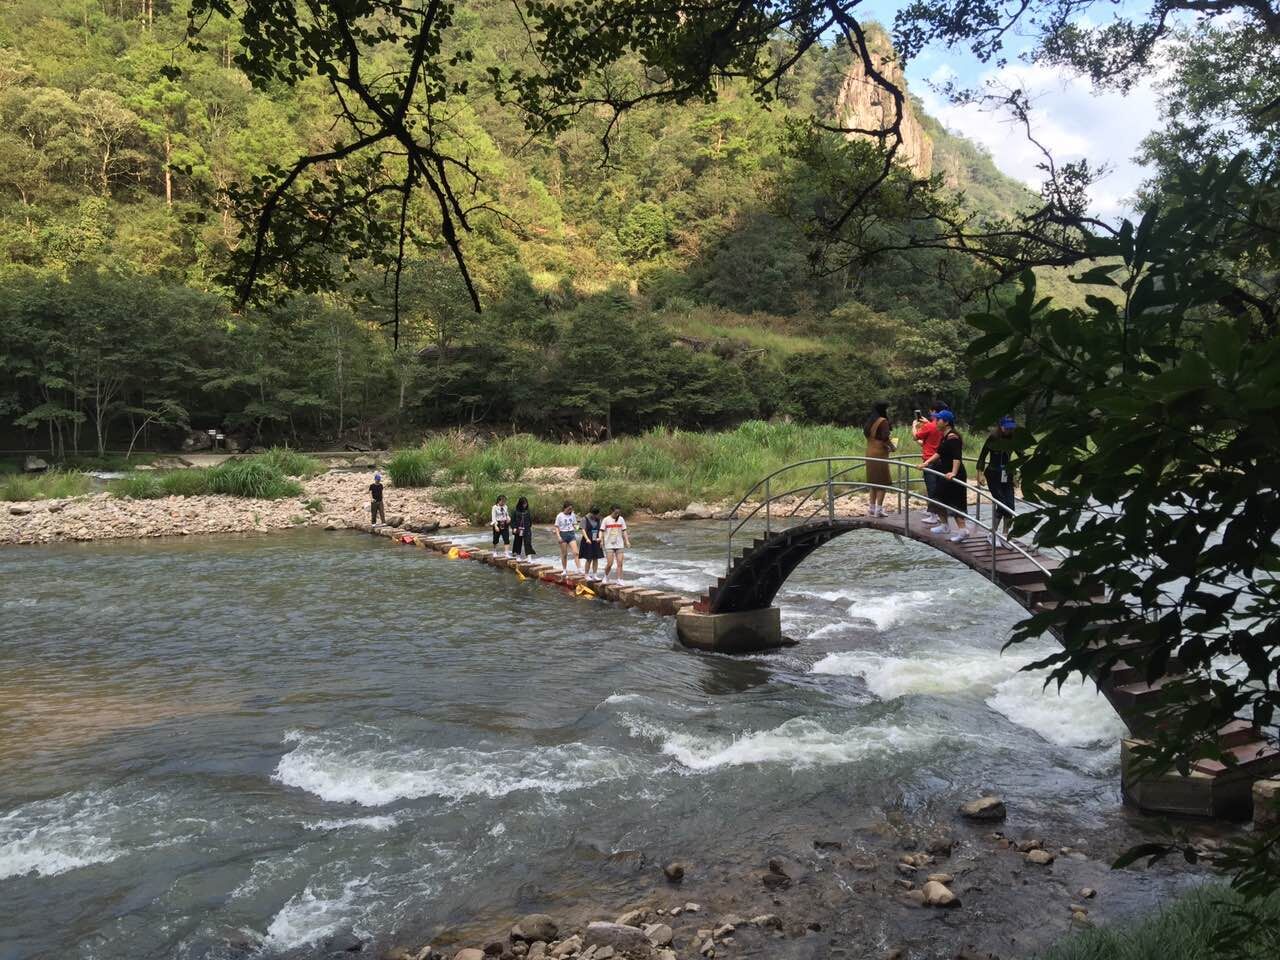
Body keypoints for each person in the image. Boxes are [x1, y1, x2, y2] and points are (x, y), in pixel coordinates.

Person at [977, 416, 1018, 546]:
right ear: (1001, 427)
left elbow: (1022, 455)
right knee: (1002, 504)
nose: (1008, 430)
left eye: (1011, 428)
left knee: (1010, 505)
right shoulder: (993, 438)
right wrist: (980, 474)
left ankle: (1005, 535)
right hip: (993, 474)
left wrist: (1018, 475)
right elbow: (982, 456)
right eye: (1006, 428)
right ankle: (992, 533)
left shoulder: (1013, 439)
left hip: (1007, 475)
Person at [930, 410, 969, 542]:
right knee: (937, 498)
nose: (936, 421)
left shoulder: (953, 437)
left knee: (955, 501)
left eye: (939, 419)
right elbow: (939, 453)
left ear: (946, 422)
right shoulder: (945, 436)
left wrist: (954, 472)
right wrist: (926, 463)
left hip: (954, 474)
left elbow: (957, 457)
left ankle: (963, 531)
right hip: (945, 473)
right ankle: (944, 525)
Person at [913, 403, 945, 523]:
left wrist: (914, 426)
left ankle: (934, 515)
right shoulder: (945, 427)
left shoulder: (930, 426)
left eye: (931, 411)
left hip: (929, 460)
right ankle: (934, 512)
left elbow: (915, 437)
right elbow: (927, 441)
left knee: (932, 488)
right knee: (938, 488)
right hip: (941, 460)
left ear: (934, 412)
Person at [863, 402, 894, 517]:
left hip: (869, 452)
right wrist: (892, 447)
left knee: (873, 482)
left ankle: (871, 508)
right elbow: (885, 437)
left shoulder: (870, 421)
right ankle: (879, 510)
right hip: (879, 453)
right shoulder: (883, 421)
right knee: (882, 482)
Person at [601, 505, 630, 582]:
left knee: (620, 562)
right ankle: (606, 576)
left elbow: (624, 531)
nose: (617, 514)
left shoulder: (621, 519)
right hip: (609, 544)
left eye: (618, 513)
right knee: (610, 563)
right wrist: (601, 540)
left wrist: (627, 541)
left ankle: (620, 579)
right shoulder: (606, 520)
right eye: (616, 513)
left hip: (619, 544)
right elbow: (601, 531)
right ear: (612, 511)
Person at [553, 500, 579, 572]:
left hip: (571, 534)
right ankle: (564, 570)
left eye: (571, 509)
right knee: (564, 554)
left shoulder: (572, 515)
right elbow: (556, 527)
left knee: (576, 552)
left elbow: (575, 524)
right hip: (563, 534)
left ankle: (579, 569)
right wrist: (558, 537)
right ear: (565, 508)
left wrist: (579, 527)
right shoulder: (559, 516)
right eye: (569, 509)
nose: (570, 510)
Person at [579, 506, 604, 580]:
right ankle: (586, 575)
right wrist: (587, 539)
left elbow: (600, 530)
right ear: (592, 513)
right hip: (588, 541)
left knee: (596, 558)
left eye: (597, 515)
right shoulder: (585, 519)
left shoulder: (598, 519)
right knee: (589, 558)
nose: (596, 516)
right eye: (595, 515)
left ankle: (594, 575)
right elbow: (583, 530)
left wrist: (600, 538)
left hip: (596, 540)